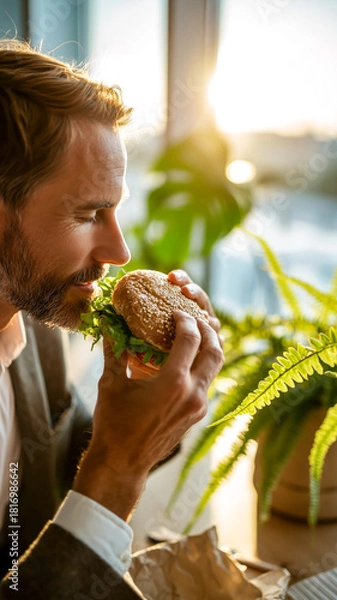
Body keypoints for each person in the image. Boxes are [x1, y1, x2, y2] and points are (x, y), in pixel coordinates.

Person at [0, 40, 224, 599]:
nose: (120, 251)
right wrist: (119, 471)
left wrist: (155, 404)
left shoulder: (33, 316)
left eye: (115, 208)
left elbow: (59, 456)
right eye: (89, 213)